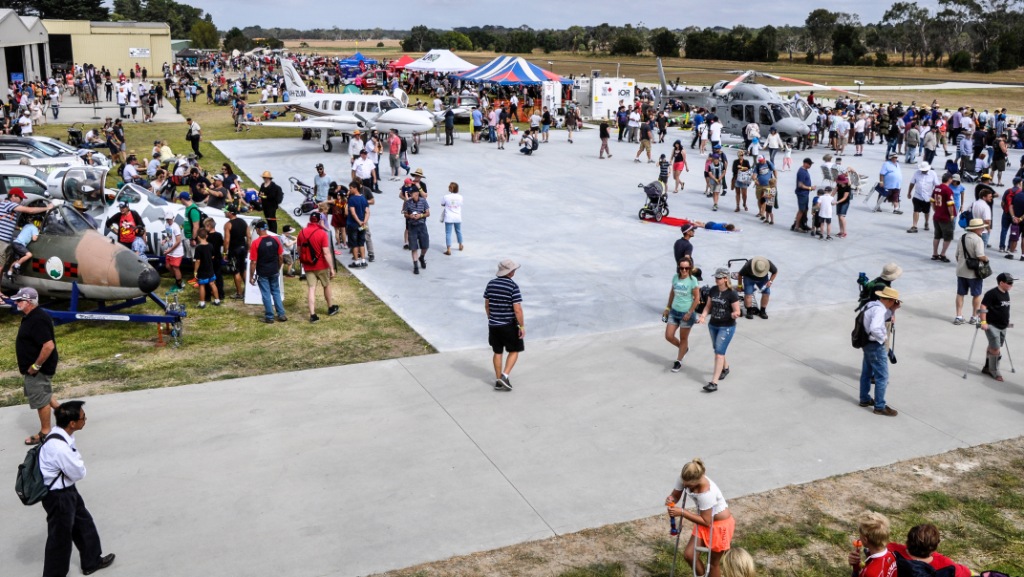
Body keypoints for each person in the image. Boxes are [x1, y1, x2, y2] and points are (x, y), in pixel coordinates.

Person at [38, 400, 116, 577]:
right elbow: (79, 472)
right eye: (83, 417)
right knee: (60, 539)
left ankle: (92, 561)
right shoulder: (60, 448)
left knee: (83, 523)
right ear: (72, 423)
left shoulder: (57, 434)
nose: (85, 419)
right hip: (58, 496)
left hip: (67, 491)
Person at [665, 458, 735, 577]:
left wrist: (682, 512)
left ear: (697, 480)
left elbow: (706, 522)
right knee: (689, 555)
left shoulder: (707, 492)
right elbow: (675, 495)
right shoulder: (685, 478)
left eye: (689, 484)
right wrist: (671, 499)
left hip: (719, 525)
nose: (685, 485)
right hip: (703, 520)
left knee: (713, 563)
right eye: (684, 481)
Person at [14, 287, 61, 446]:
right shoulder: (31, 316)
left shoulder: (38, 319)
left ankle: (45, 433)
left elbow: (48, 346)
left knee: (41, 400)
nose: (17, 303)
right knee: (43, 392)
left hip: (37, 369)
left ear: (29, 302)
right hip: (33, 369)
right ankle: (66, 414)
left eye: (19, 300)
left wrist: (36, 366)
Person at [697, 268, 741, 393]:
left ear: (725, 279)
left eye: (719, 278)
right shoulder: (713, 290)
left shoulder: (732, 293)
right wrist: (703, 316)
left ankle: (713, 383)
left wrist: (735, 314)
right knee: (718, 350)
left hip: (726, 326)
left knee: (718, 354)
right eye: (716, 277)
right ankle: (725, 368)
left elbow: (737, 311)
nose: (716, 280)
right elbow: (707, 306)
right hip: (713, 325)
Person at [484, 259, 524, 391]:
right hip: (508, 325)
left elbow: (487, 305)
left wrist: (491, 318)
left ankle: (497, 381)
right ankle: (504, 376)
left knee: (497, 352)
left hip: (493, 325)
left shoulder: (490, 284)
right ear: (510, 272)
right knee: (514, 350)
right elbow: (517, 309)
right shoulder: (513, 286)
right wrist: (521, 326)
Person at [859, 286, 901, 416]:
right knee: (882, 376)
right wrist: (883, 339)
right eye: (894, 301)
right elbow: (875, 328)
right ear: (890, 300)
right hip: (875, 345)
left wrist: (892, 310)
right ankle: (879, 406)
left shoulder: (871, 305)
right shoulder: (879, 311)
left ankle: (864, 399)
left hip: (866, 343)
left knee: (866, 372)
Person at [887, 524, 972, 577]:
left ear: (907, 541)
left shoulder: (891, 549)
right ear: (935, 547)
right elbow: (967, 572)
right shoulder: (946, 564)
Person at [297, 212, 337, 322]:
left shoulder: (302, 232)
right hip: (321, 265)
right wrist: (332, 268)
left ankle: (313, 315)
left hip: (308, 265)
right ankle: (330, 307)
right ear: (319, 220)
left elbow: (299, 250)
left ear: (310, 219)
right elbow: (326, 253)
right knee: (326, 285)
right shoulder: (321, 233)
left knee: (311, 289)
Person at [664, 256, 700, 372]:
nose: (684, 270)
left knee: (683, 338)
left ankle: (679, 360)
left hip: (686, 314)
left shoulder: (692, 280)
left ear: (690, 269)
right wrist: (667, 308)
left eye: (686, 268)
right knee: (669, 336)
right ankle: (684, 349)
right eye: (682, 268)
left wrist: (690, 312)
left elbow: (697, 299)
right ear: (678, 268)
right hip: (674, 312)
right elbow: (672, 293)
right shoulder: (675, 278)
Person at [249, 220, 286, 323]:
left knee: (266, 294)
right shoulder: (275, 240)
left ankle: (269, 317)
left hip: (263, 272)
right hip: (274, 270)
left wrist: (251, 276)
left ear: (257, 230)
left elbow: (253, 262)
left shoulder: (256, 243)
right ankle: (281, 314)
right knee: (276, 292)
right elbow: (280, 257)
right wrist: (278, 268)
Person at [979, 272, 1014, 381]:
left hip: (1002, 325)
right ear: (1001, 283)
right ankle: (993, 370)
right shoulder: (992, 293)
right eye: (1009, 283)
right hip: (992, 325)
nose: (1011, 285)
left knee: (992, 345)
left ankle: (986, 367)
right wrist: (983, 322)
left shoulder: (1006, 292)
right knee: (995, 348)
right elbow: (983, 306)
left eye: (1012, 283)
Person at [955, 219, 990, 325]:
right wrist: (986, 258)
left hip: (961, 271)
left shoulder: (962, 237)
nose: (983, 229)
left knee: (960, 293)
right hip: (974, 273)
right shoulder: (978, 240)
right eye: (982, 228)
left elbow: (957, 255)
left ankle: (959, 316)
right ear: (976, 229)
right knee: (976, 294)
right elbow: (980, 256)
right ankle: (974, 317)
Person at [848, 512, 897, 577]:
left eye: (860, 535)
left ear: (865, 539)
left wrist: (855, 571)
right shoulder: (890, 554)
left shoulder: (869, 573)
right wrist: (857, 566)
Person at [224, 205, 250, 299]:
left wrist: (224, 253)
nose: (225, 213)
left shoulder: (228, 224)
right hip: (243, 249)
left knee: (236, 271)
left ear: (230, 213)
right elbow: (249, 236)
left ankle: (239, 293)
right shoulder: (243, 222)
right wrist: (249, 249)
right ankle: (248, 290)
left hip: (234, 250)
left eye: (226, 211)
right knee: (243, 269)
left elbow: (226, 241)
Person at [403, 186, 430, 274]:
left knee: (425, 245)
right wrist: (409, 216)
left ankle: (421, 257)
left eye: (412, 194)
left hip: (422, 225)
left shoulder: (423, 201)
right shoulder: (408, 202)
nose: (411, 195)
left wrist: (420, 216)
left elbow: (428, 213)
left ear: (417, 193)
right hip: (412, 226)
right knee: (414, 247)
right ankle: (415, 266)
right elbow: (405, 214)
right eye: (410, 194)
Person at [191, 228, 220, 309]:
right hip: (210, 268)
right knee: (212, 283)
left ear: (198, 237)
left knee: (202, 285)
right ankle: (217, 300)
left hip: (202, 270)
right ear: (206, 236)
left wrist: (195, 271)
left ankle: (202, 303)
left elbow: (198, 261)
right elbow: (213, 256)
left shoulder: (198, 248)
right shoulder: (210, 245)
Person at [907, 161, 939, 233]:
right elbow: (912, 183)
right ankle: (914, 225)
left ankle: (926, 222)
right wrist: (909, 192)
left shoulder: (933, 174)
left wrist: (936, 196)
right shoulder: (917, 173)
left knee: (926, 211)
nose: (923, 171)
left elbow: (936, 185)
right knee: (916, 210)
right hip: (917, 195)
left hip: (928, 196)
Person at [931, 173, 957, 262]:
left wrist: (936, 210)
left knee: (937, 235)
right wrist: (952, 215)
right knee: (948, 236)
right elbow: (950, 205)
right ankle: (942, 254)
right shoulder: (948, 190)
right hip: (945, 217)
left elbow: (932, 201)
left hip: (937, 215)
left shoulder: (937, 188)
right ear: (949, 179)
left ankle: (935, 253)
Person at [346, 182, 370, 268]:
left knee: (354, 243)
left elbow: (353, 213)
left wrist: (359, 221)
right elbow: (367, 212)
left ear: (355, 188)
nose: (350, 190)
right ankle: (363, 261)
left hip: (353, 224)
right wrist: (364, 221)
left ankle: (356, 262)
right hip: (362, 224)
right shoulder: (363, 198)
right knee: (361, 243)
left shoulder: (352, 199)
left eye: (351, 188)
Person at [161, 208, 184, 290]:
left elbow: (178, 241)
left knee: (175, 267)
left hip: (176, 252)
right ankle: (177, 279)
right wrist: (164, 240)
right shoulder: (167, 225)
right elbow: (169, 236)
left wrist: (169, 250)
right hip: (170, 250)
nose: (168, 221)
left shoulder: (176, 227)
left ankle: (179, 285)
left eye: (169, 219)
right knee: (168, 266)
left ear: (173, 218)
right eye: (167, 219)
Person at [792, 157, 815, 232]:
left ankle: (803, 224)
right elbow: (800, 185)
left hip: (805, 193)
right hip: (802, 193)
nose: (810, 165)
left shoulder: (805, 170)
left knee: (805, 209)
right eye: (809, 164)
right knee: (801, 210)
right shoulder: (802, 172)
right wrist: (810, 188)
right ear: (805, 163)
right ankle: (797, 226)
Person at [441, 182, 463, 255]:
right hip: (457, 216)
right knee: (458, 231)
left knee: (448, 233)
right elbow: (460, 204)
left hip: (449, 216)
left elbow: (442, 203)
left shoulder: (446, 196)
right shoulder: (460, 197)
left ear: (451, 189)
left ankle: (449, 249)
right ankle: (460, 245)